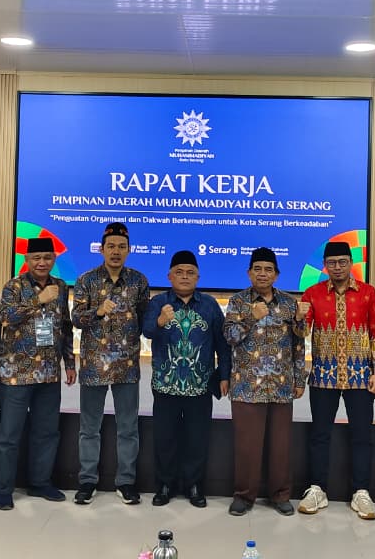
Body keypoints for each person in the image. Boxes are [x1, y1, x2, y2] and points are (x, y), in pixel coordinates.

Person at [296, 241, 375, 520]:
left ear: (350, 263)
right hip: (324, 376)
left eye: (342, 262)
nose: (337, 267)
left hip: (361, 377)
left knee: (362, 436)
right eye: (332, 263)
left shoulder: (368, 293)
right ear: (325, 265)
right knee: (320, 435)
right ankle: (317, 489)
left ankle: (361, 491)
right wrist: (298, 319)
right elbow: (301, 333)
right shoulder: (312, 293)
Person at [141, 249, 229, 508]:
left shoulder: (209, 304)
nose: (185, 276)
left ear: (198, 277)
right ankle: (164, 485)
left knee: (197, 438)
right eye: (179, 272)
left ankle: (194, 485)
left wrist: (224, 375)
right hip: (166, 384)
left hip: (200, 385)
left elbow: (222, 343)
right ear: (169, 276)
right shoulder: (159, 302)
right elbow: (146, 331)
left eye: (190, 273)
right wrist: (160, 321)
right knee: (165, 438)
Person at [71, 222, 150, 506]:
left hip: (126, 366)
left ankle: (125, 481)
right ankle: (87, 481)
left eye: (121, 247)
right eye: (111, 246)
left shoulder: (139, 281)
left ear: (129, 250)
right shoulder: (86, 280)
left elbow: (144, 320)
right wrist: (98, 311)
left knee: (128, 428)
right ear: (102, 249)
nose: (116, 251)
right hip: (93, 365)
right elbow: (76, 319)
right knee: (89, 428)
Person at [224, 247, 307, 517]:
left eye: (268, 269)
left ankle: (281, 495)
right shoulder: (238, 302)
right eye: (257, 269)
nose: (262, 274)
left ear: (276, 274)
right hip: (247, 386)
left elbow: (298, 343)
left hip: (281, 385)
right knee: (247, 446)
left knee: (280, 446)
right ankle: (243, 496)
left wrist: (299, 379)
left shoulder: (289, 303)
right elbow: (230, 337)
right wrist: (252, 317)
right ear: (249, 273)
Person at [0, 237, 76, 510]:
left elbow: (65, 326)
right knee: (10, 435)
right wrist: (38, 300)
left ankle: (40, 483)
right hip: (16, 373)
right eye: (36, 258)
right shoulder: (14, 286)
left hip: (49, 373)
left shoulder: (61, 286)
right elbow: (6, 317)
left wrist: (70, 363)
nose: (42, 263)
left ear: (54, 259)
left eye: (47, 258)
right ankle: (4, 490)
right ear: (27, 260)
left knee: (47, 432)